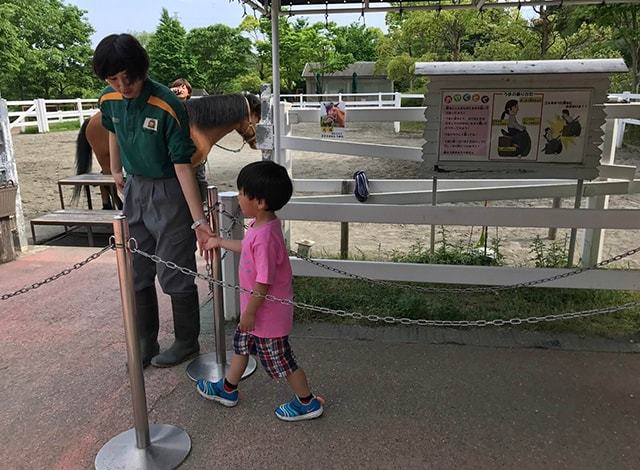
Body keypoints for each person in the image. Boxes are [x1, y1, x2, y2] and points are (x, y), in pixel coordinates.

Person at [92, 34, 214, 368]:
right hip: (135, 189)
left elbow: (182, 165)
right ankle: (146, 341)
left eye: (128, 77)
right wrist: (115, 169)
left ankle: (187, 341)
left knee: (174, 266)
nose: (122, 85)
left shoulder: (167, 105)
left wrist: (198, 222)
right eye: (113, 79)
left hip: (170, 190)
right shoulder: (109, 99)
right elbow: (112, 129)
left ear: (141, 69)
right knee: (137, 269)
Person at [196, 160, 324, 421]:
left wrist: (251, 313)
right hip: (254, 313)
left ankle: (307, 402)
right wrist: (218, 241)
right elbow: (248, 248)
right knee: (241, 348)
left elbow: (264, 281)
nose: (239, 198)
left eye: (243, 193)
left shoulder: (266, 237)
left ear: (261, 202)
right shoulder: (261, 226)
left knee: (284, 362)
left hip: (265, 318)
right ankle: (228, 389)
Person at [168, 77, 208, 200]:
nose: (180, 89)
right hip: (177, 150)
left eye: (183, 87)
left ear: (189, 92)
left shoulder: (195, 109)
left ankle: (203, 203)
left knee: (200, 179)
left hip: (195, 150)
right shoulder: (169, 107)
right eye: (177, 87)